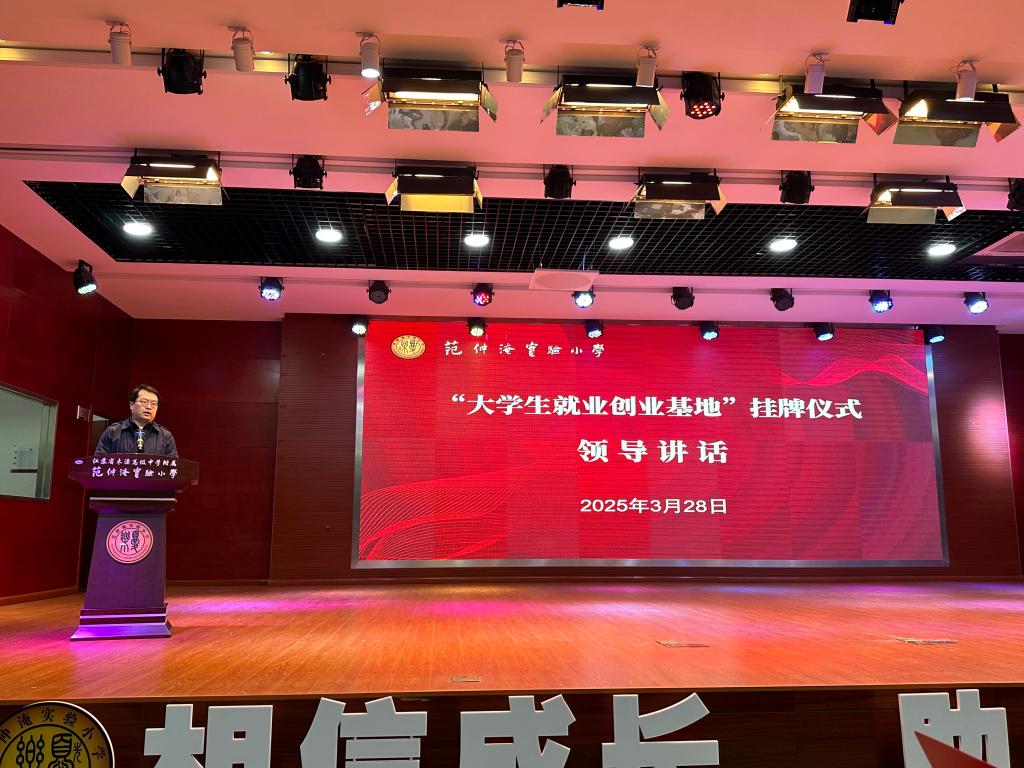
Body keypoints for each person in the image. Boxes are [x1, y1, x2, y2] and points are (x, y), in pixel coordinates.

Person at [95, 384, 178, 457]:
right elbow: (99, 462)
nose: (149, 407)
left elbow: (173, 466)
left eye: (154, 403)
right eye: (144, 402)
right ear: (131, 405)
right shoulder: (113, 431)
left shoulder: (165, 436)